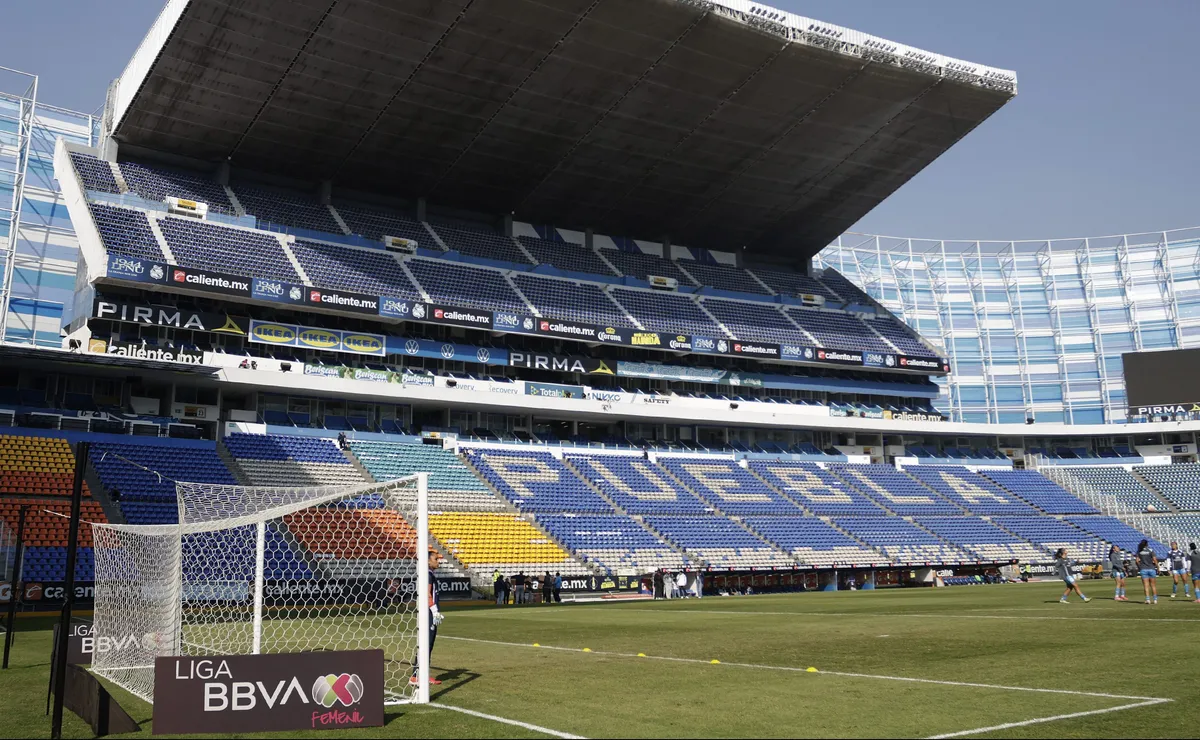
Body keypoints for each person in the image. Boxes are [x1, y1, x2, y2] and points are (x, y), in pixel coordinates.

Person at [410, 550, 444, 687]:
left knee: (427, 645)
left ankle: (419, 675)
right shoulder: (428, 575)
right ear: (428, 561)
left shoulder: (430, 574)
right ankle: (417, 675)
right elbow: (427, 593)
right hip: (429, 613)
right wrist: (434, 610)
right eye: (436, 559)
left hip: (428, 612)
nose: (438, 561)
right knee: (427, 644)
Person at [1135, 539, 1159, 605]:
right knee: (1153, 585)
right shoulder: (1150, 550)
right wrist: (1158, 567)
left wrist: (1139, 567)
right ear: (1147, 544)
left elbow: (1137, 561)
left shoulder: (1139, 551)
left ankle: (1147, 600)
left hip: (1143, 569)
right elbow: (1155, 560)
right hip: (1151, 568)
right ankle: (1155, 600)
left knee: (1146, 586)